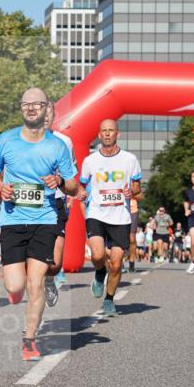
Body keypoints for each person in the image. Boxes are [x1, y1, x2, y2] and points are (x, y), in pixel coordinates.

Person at [0, 88, 78, 362]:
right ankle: (15, 290)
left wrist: (60, 182)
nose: (31, 108)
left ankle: (29, 338)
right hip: (13, 219)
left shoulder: (57, 146)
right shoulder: (6, 140)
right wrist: (1, 186)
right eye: (26, 104)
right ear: (21, 108)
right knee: (15, 286)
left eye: (37, 104)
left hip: (45, 220)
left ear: (45, 108)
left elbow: (73, 186)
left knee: (35, 283)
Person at [80, 119, 142, 316]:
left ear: (118, 134)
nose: (107, 134)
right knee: (98, 255)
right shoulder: (90, 161)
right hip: (97, 213)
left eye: (111, 131)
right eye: (104, 131)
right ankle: (99, 272)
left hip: (120, 217)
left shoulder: (130, 159)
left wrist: (131, 191)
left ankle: (109, 299)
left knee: (116, 263)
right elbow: (81, 185)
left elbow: (138, 187)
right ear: (99, 135)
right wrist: (81, 194)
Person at [42, 102, 79, 305]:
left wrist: (70, 193)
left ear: (55, 115)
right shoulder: (20, 140)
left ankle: (50, 277)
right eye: (42, 112)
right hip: (29, 206)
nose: (46, 116)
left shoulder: (65, 141)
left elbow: (71, 175)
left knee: (55, 264)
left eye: (50, 113)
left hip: (55, 202)